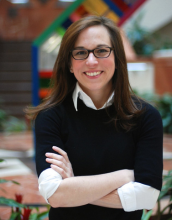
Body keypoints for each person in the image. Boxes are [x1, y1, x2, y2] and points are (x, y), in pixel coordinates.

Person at [26, 15, 163, 220]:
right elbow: (53, 194)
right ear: (70, 64)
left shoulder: (145, 117)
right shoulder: (50, 116)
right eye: (80, 52)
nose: (91, 61)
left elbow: (146, 197)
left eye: (101, 51)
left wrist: (74, 185)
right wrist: (124, 176)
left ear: (117, 58)